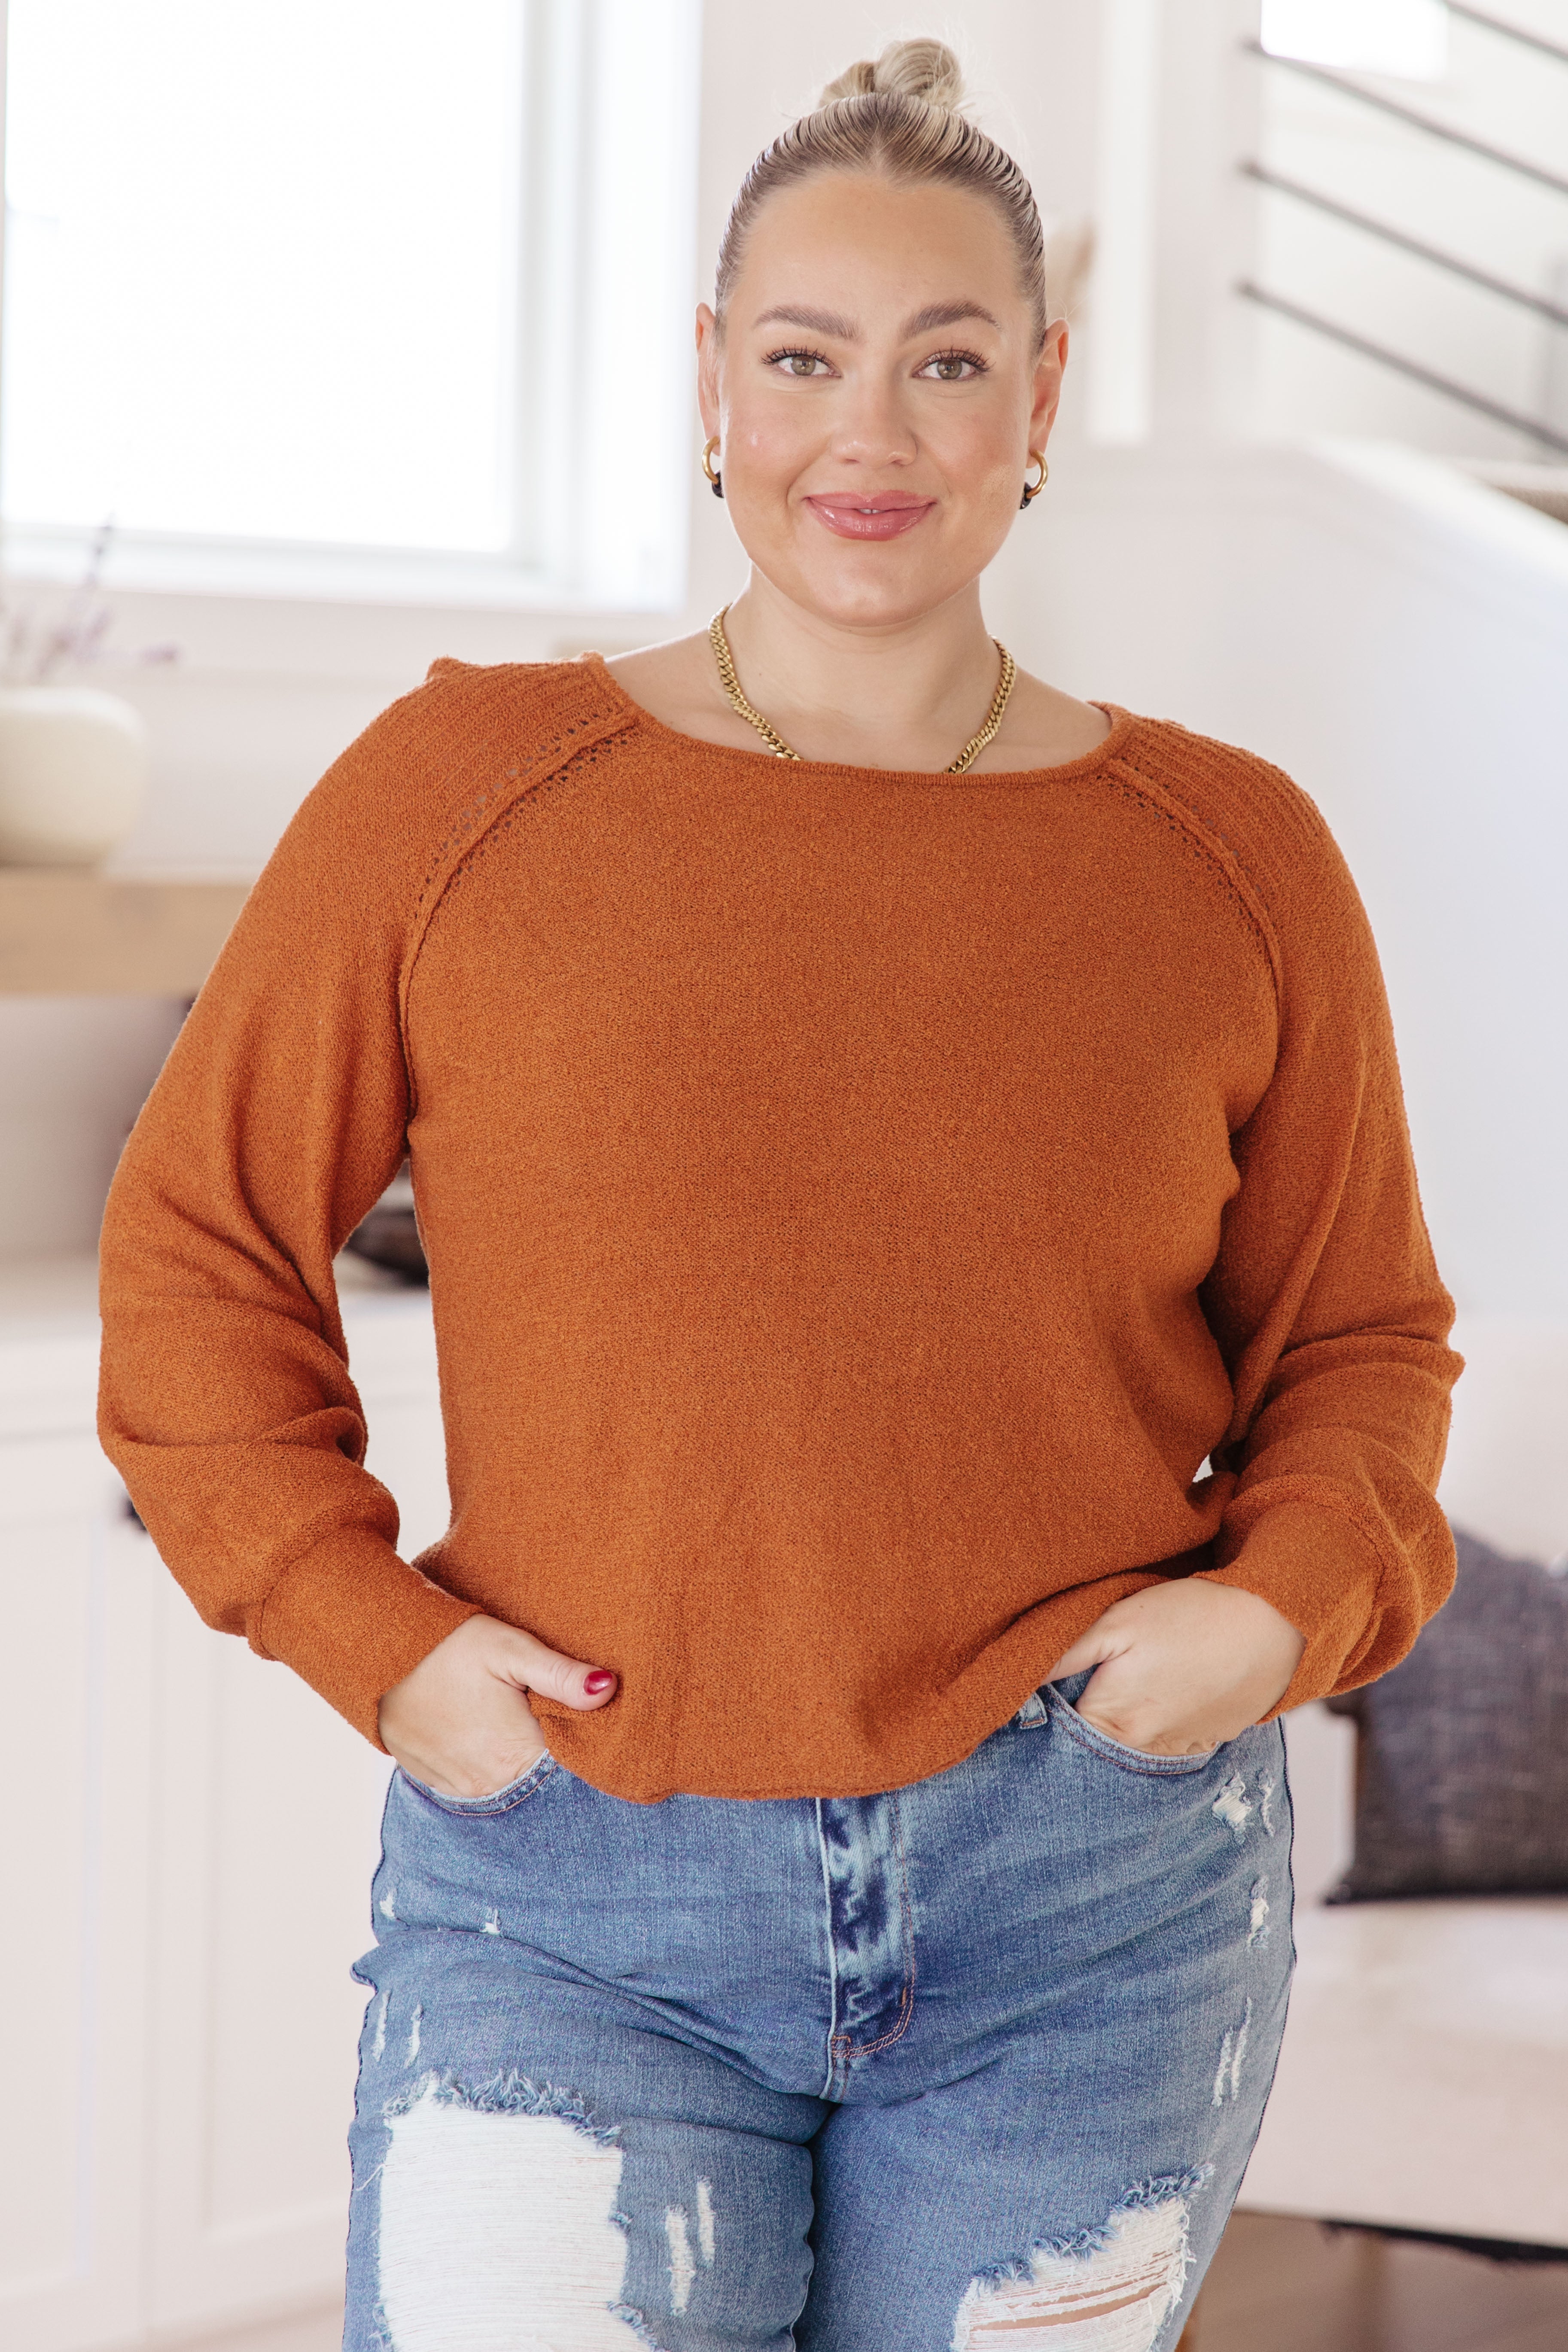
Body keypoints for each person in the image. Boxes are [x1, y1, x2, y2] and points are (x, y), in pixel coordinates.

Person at [98, 38, 1461, 2352]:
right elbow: (201, 1250)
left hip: (1091, 1902)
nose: (872, 432)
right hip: (569, 1896)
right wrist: (375, 1636)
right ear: (706, 386)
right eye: (804, 356)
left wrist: (1286, 1606)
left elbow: (1354, 1338)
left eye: (947, 362)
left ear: (1041, 395)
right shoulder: (462, 796)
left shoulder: (1230, 857)